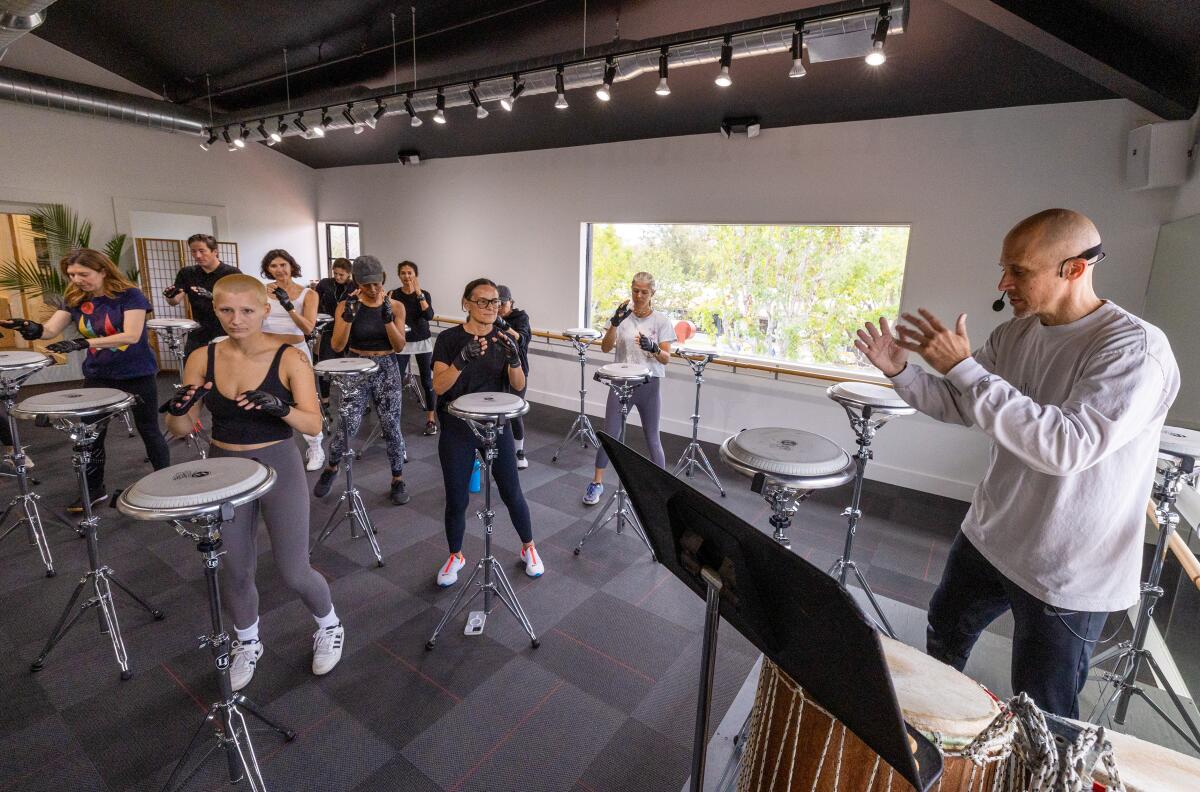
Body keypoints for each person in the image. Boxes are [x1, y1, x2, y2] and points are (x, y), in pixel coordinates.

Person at [854, 209, 1179, 719]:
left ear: (1074, 269)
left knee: (1042, 707)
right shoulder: (1015, 335)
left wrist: (963, 368)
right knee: (945, 631)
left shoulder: (1134, 350)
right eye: (1003, 269)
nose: (1004, 284)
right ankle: (937, 733)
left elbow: (1066, 447)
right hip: (992, 534)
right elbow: (963, 402)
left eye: (1019, 271)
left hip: (1067, 568)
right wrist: (901, 371)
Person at [163, 273, 343, 690]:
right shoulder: (201, 358)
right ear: (215, 310)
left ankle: (330, 625)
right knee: (236, 568)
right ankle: (247, 641)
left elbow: (314, 422)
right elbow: (181, 427)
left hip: (278, 465)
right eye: (226, 310)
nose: (236, 319)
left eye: (247, 310)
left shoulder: (291, 357)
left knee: (293, 570)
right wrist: (179, 407)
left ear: (265, 309)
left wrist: (279, 408)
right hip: (226, 468)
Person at [1, 249, 170, 511]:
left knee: (149, 430)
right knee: (90, 436)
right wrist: (30, 327)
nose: (77, 279)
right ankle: (94, 490)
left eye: (83, 273)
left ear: (103, 270)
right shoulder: (76, 298)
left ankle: (167, 484)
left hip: (137, 372)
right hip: (99, 375)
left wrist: (83, 342)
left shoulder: (130, 295)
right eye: (71, 274)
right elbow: (50, 330)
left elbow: (131, 335)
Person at [431, 278, 544, 586]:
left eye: (494, 302)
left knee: (511, 491)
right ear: (466, 303)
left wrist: (513, 358)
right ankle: (456, 555)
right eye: (482, 301)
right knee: (456, 498)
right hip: (458, 425)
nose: (490, 307)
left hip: (496, 424)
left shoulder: (506, 337)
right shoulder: (449, 339)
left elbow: (519, 386)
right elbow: (439, 386)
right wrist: (461, 360)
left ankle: (529, 547)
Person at [312, 255, 411, 505]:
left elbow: (399, 346)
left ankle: (397, 478)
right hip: (356, 366)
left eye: (376, 283)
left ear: (383, 280)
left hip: (387, 365)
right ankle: (332, 467)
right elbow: (337, 345)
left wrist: (388, 319)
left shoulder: (396, 306)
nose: (373, 289)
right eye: (366, 284)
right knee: (348, 424)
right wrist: (348, 316)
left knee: (391, 425)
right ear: (357, 282)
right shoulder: (347, 304)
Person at [584, 272, 675, 505]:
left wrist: (653, 348)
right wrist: (614, 324)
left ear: (652, 293)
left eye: (644, 291)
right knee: (610, 434)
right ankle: (596, 483)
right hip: (620, 382)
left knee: (652, 437)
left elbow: (666, 358)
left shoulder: (661, 321)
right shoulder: (622, 316)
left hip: (648, 384)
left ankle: (660, 487)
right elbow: (605, 348)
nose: (639, 295)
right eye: (636, 290)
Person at [260, 248, 325, 470]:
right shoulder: (261, 292)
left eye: (283, 265)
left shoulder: (308, 294)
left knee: (305, 399)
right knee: (267, 398)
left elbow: (308, 328)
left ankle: (316, 446)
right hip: (266, 351)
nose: (279, 270)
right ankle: (270, 446)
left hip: (295, 349)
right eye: (273, 266)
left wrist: (288, 306)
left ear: (291, 266)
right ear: (268, 270)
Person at [163, 233, 240, 356]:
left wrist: (214, 297)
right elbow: (175, 301)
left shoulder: (231, 273)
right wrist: (170, 296)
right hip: (198, 329)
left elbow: (240, 301)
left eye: (202, 251)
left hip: (226, 327)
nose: (197, 255)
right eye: (193, 251)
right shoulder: (187, 273)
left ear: (215, 251)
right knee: (192, 365)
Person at [390, 260, 438, 435]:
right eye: (403, 273)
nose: (406, 276)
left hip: (422, 341)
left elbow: (429, 315)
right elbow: (388, 315)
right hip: (402, 341)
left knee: (427, 380)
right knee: (396, 381)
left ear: (415, 275)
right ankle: (392, 420)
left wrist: (418, 293)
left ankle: (431, 419)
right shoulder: (394, 294)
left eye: (410, 273)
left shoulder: (424, 294)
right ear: (399, 275)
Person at [495, 285, 532, 469]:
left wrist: (504, 326)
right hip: (494, 369)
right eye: (496, 302)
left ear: (511, 302)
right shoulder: (490, 315)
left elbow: (522, 339)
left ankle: (519, 451)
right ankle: (496, 449)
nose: (500, 306)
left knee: (515, 411)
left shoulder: (521, 317)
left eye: (503, 302)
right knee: (493, 412)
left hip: (517, 369)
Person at [313, 258, 355, 402]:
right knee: (324, 365)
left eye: (341, 275)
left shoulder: (354, 286)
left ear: (349, 274)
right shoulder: (325, 283)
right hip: (329, 328)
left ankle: (352, 397)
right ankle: (325, 400)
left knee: (350, 365)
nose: (337, 277)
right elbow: (314, 302)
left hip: (349, 330)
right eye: (335, 273)